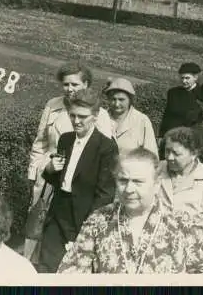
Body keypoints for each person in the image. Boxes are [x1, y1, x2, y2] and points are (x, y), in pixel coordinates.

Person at [57, 148, 203, 274]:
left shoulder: (180, 223)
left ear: (157, 184)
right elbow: (71, 272)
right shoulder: (99, 220)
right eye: (123, 181)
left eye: (138, 182)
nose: (129, 189)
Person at [25, 61, 113, 260]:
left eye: (75, 84)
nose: (70, 89)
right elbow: (40, 143)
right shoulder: (54, 109)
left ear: (86, 85)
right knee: (41, 250)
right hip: (54, 189)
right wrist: (41, 171)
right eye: (66, 84)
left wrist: (91, 225)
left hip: (83, 200)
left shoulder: (102, 126)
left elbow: (100, 168)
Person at [38, 88, 119, 273]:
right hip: (58, 213)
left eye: (82, 116)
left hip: (84, 215)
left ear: (96, 115)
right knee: (47, 267)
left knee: (75, 269)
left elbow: (105, 194)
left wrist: (89, 227)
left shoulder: (106, 148)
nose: (76, 121)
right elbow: (59, 179)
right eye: (72, 115)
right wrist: (49, 170)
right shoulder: (66, 139)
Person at [158, 127, 203, 273]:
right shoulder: (155, 172)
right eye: (167, 151)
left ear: (194, 154)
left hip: (191, 262)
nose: (169, 157)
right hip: (156, 256)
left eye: (176, 153)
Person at [104, 77, 159, 157]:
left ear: (130, 100)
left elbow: (151, 155)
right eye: (113, 99)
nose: (116, 104)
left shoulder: (142, 120)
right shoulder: (101, 118)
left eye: (121, 100)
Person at [158, 62, 203, 159]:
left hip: (190, 138)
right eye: (182, 78)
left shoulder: (202, 94)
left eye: (187, 78)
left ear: (195, 77)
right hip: (172, 136)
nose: (184, 81)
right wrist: (161, 135)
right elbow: (167, 115)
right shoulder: (173, 93)